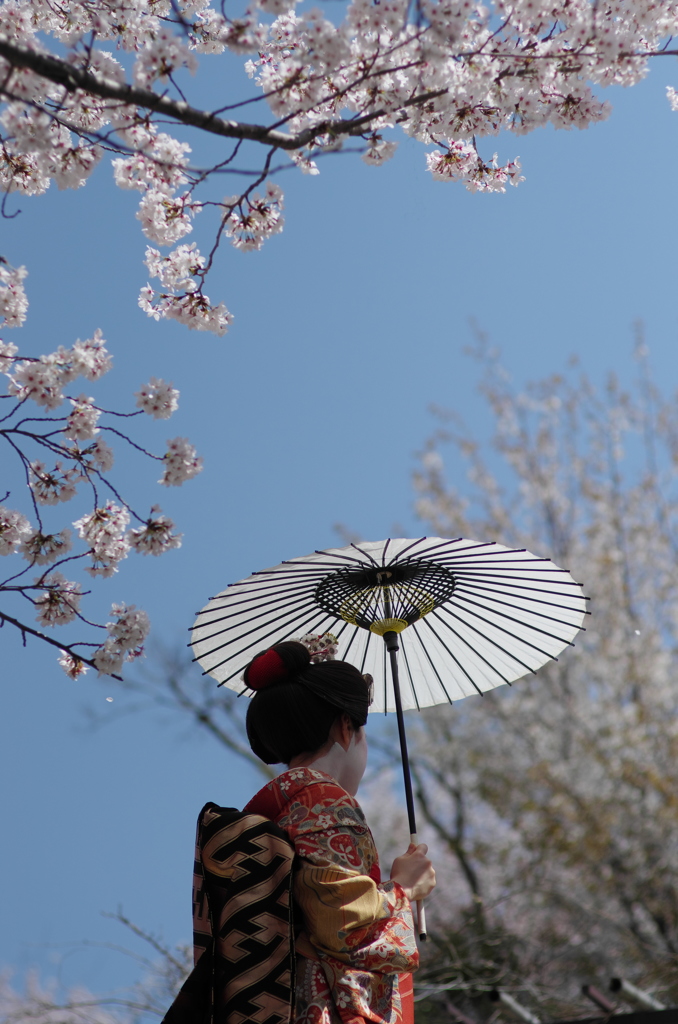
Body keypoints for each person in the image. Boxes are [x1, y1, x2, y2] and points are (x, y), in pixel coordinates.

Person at [241, 639, 437, 1024]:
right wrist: (403, 889)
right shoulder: (325, 799)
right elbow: (346, 927)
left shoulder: (281, 810)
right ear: (346, 728)